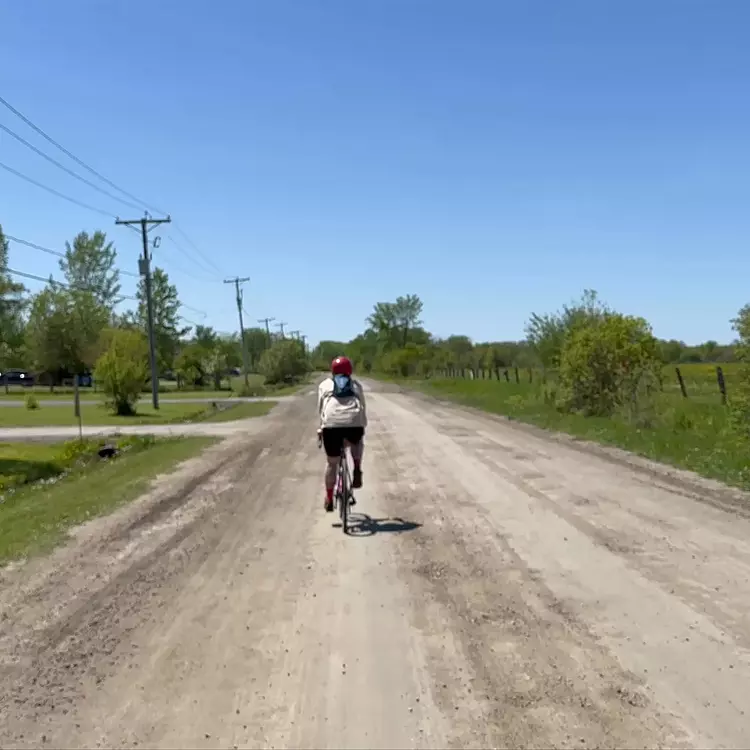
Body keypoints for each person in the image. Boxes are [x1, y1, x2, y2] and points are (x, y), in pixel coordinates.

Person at [317, 355, 367, 512]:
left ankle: (329, 498)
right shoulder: (356, 385)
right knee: (357, 441)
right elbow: (362, 407)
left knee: (332, 463)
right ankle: (357, 466)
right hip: (354, 425)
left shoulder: (325, 385)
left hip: (331, 427)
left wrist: (322, 427)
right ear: (349, 371)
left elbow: (321, 409)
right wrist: (361, 425)